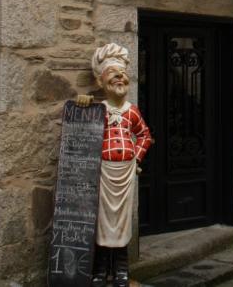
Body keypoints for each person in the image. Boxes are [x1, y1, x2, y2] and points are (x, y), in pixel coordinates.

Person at [77, 43, 153, 287]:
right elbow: (81, 131)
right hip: (103, 173)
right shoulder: (97, 110)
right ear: (101, 82)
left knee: (122, 221)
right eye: (113, 74)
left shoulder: (132, 111)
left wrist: (137, 159)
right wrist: (82, 104)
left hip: (126, 172)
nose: (120, 78)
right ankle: (100, 269)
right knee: (102, 220)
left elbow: (145, 136)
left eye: (122, 74)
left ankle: (121, 268)